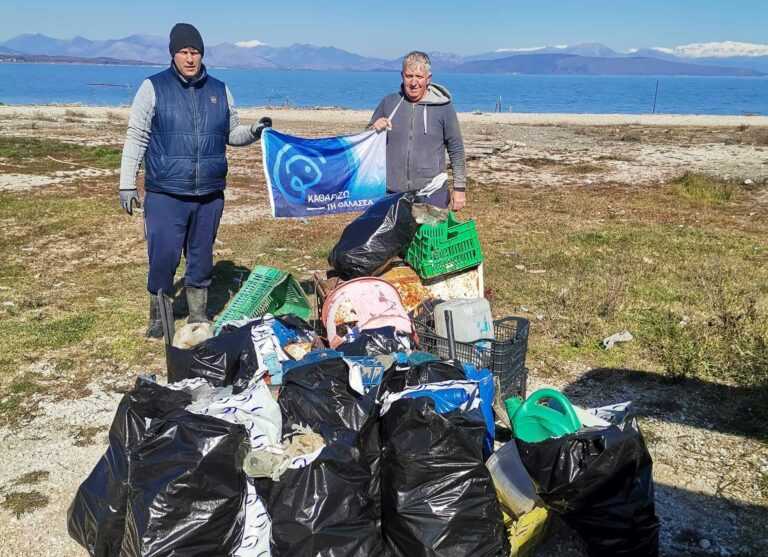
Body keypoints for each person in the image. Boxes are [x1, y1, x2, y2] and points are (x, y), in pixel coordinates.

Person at [118, 23, 272, 338]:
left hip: (209, 195)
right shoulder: (153, 87)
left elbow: (231, 133)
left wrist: (254, 131)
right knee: (163, 257)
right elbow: (137, 135)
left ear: (202, 54)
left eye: (195, 52)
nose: (190, 58)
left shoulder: (219, 90)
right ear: (173, 54)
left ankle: (198, 316)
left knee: (201, 257)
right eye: (184, 52)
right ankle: (159, 318)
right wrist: (127, 183)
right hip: (166, 193)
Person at [369, 51, 466, 210]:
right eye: (409, 76)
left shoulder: (444, 107)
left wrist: (459, 188)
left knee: (432, 228)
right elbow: (367, 144)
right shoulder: (389, 103)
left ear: (428, 78)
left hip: (433, 193)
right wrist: (374, 128)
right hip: (392, 193)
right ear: (402, 76)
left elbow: (456, 149)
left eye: (419, 77)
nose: (414, 82)